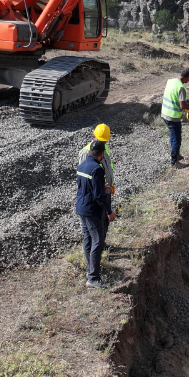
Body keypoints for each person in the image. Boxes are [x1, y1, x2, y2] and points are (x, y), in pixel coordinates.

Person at [74, 140, 115, 289]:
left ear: (90, 151)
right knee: (98, 241)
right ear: (101, 154)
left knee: (88, 239)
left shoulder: (82, 165)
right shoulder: (96, 169)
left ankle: (90, 269)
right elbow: (98, 196)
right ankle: (93, 278)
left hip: (81, 208)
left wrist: (99, 185)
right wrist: (109, 212)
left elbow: (84, 186)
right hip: (91, 210)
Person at [161, 67, 189, 166]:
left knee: (173, 136)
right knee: (177, 139)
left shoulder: (171, 81)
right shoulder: (181, 88)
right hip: (172, 117)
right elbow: (182, 106)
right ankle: (174, 162)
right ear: (187, 77)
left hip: (165, 113)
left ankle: (177, 154)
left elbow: (174, 97)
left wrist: (187, 102)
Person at [78, 123, 115, 193]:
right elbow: (84, 177)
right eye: (100, 140)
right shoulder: (85, 153)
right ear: (93, 136)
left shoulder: (104, 147)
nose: (103, 143)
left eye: (105, 141)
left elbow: (108, 166)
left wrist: (110, 184)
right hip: (96, 194)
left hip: (106, 191)